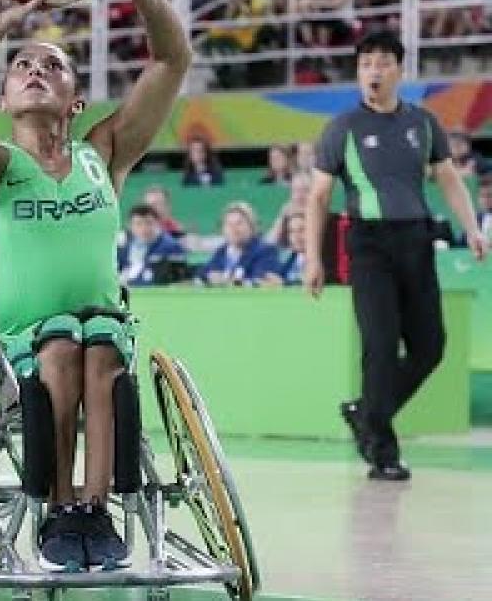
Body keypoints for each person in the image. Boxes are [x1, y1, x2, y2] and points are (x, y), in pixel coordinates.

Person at [0, 0, 191, 572]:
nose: (36, 71)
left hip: (103, 334)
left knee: (94, 337)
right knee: (63, 339)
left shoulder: (106, 153)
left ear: (76, 100)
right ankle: (60, 508)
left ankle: (96, 507)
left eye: (53, 66)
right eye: (22, 67)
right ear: (4, 100)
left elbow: (172, 63)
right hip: (20, 352)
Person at [304, 31, 488, 481]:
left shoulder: (423, 124)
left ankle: (365, 413)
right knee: (381, 346)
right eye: (366, 64)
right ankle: (382, 448)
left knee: (430, 347)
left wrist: (472, 228)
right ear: (358, 73)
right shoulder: (342, 128)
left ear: (399, 71)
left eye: (383, 63)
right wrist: (313, 257)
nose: (374, 71)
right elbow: (318, 197)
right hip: (367, 246)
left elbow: (447, 179)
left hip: (417, 241)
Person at [199, 202, 281, 286]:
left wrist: (225, 280)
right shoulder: (222, 250)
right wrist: (208, 277)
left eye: (239, 223)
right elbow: (203, 274)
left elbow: (260, 281)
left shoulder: (266, 251)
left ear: (251, 226)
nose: (233, 229)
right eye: (229, 224)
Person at [117, 204, 187, 286]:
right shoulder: (124, 247)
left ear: (158, 224)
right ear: (130, 226)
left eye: (149, 223)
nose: (144, 228)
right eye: (138, 224)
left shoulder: (170, 247)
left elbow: (175, 279)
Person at [264, 211, 307, 286]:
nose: (296, 236)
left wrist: (284, 284)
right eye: (292, 231)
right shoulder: (290, 258)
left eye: (301, 230)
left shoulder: (321, 259)